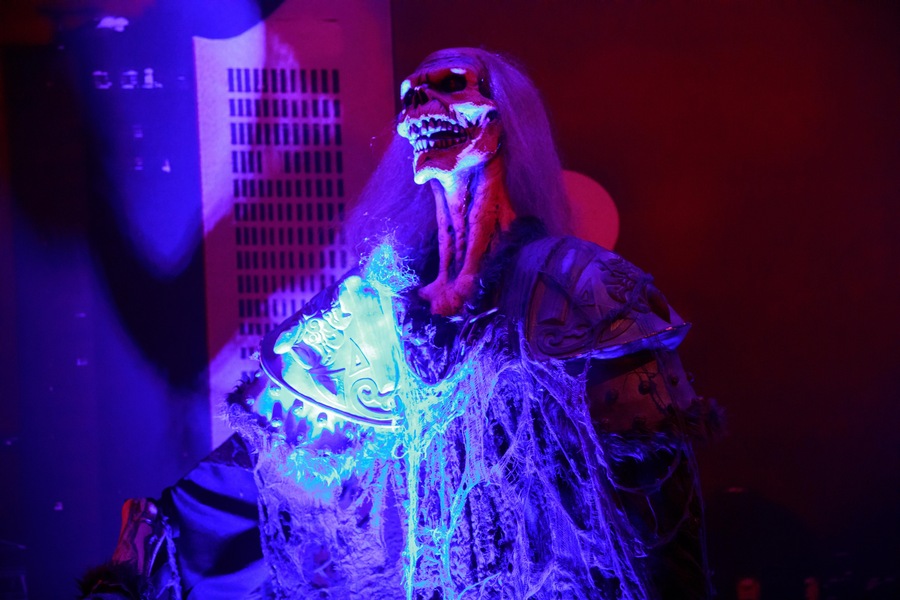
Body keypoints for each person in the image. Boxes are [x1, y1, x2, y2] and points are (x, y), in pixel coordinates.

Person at [82, 47, 718, 599]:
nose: (421, 105)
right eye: (412, 93)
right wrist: (151, 544)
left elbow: (662, 511)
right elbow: (263, 464)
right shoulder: (371, 311)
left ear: (505, 119)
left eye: (451, 87)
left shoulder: (582, 289)